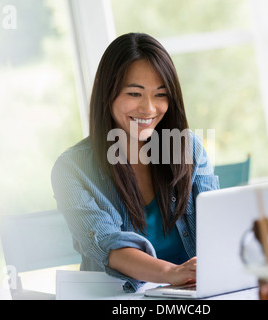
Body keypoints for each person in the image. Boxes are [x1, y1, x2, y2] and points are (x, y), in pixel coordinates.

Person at [51, 32, 218, 293]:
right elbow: (107, 245)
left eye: (160, 95)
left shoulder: (189, 149)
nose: (149, 109)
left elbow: (216, 223)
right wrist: (172, 273)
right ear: (108, 93)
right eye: (135, 93)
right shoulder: (71, 169)